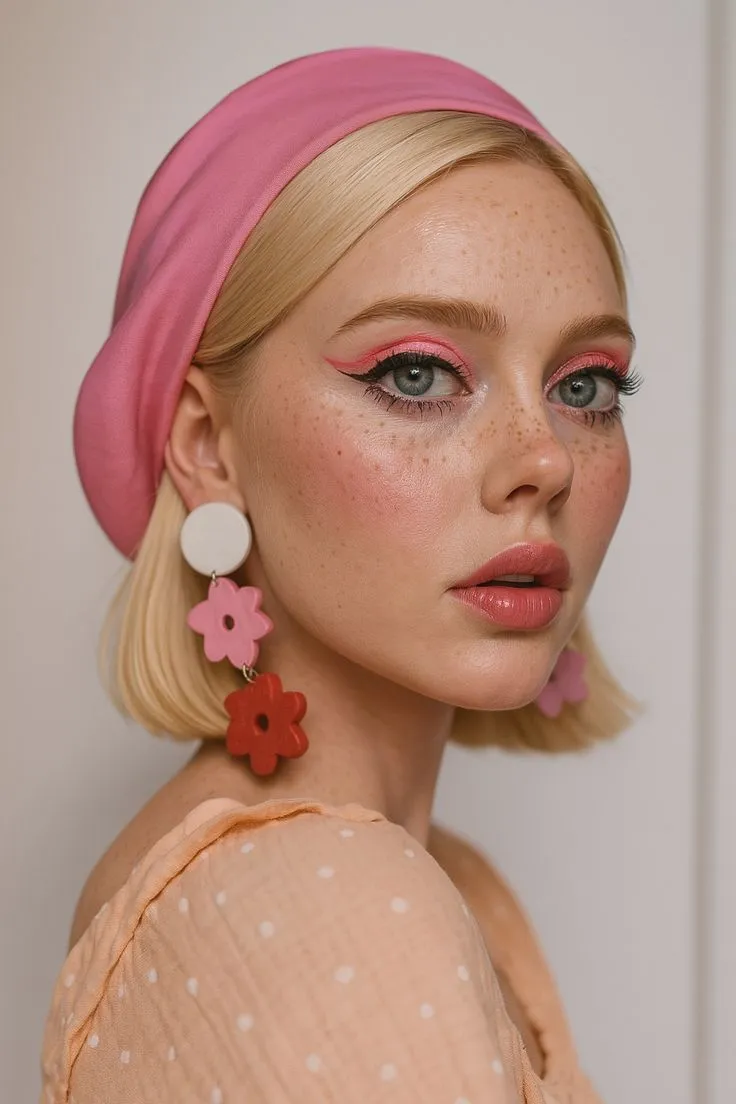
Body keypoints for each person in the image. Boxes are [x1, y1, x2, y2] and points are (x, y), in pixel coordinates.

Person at [40, 46, 640, 1104]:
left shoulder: (437, 883)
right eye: (417, 373)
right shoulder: (340, 902)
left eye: (586, 385)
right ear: (208, 446)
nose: (544, 458)